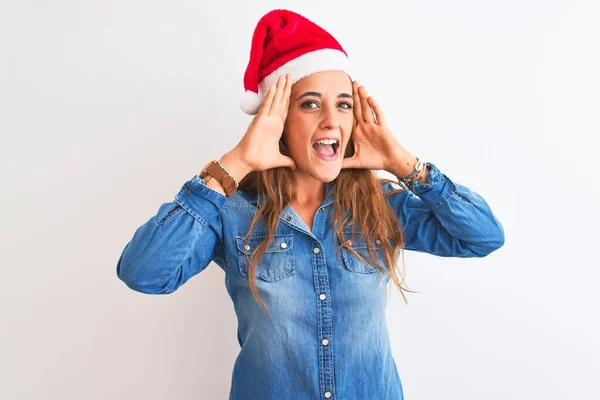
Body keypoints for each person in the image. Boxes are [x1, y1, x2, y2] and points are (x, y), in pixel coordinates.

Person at [116, 8, 505, 400]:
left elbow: (482, 237)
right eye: (311, 104)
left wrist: (403, 163)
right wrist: (238, 161)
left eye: (344, 104)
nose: (332, 120)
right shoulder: (231, 212)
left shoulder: (380, 206)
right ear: (278, 119)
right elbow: (144, 273)